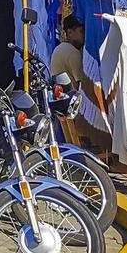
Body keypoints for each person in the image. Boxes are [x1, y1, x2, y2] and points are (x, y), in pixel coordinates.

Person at [49, 14, 111, 156]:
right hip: (72, 106)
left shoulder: (63, 49)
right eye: (81, 31)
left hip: (65, 103)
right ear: (70, 32)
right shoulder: (71, 52)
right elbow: (83, 83)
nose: (84, 35)